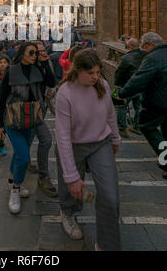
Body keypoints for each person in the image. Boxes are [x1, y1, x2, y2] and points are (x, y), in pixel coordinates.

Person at [55, 49, 121, 251]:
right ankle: (67, 213)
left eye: (98, 72)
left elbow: (110, 114)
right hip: (74, 145)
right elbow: (63, 136)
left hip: (101, 142)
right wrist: (72, 177)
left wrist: (116, 137)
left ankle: (106, 244)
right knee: (71, 190)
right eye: (90, 73)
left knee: (110, 196)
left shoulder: (102, 85)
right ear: (78, 70)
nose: (95, 77)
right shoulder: (65, 93)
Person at [0, 42, 55, 214]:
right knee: (23, 155)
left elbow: (51, 81)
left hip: (31, 118)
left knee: (19, 154)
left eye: (36, 53)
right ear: (22, 53)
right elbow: (2, 99)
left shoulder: (38, 69)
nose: (34, 55)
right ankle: (15, 190)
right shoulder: (11, 71)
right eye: (31, 52)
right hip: (13, 119)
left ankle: (12, 181)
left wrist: (45, 62)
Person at [118, 33, 167, 179]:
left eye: (143, 46)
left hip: (160, 102)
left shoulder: (152, 58)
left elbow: (139, 79)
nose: (143, 49)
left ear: (148, 44)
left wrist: (122, 93)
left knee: (147, 126)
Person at [30, 41, 57, 197]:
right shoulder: (27, 68)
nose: (41, 53)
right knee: (45, 140)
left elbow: (51, 82)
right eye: (36, 51)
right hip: (27, 110)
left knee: (40, 139)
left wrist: (46, 64)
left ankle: (42, 176)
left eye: (42, 50)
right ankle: (41, 175)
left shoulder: (46, 63)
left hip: (41, 107)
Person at [114, 38, 146, 137]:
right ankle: (137, 127)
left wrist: (117, 84)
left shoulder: (126, 58)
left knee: (121, 106)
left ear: (130, 46)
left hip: (127, 86)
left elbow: (119, 73)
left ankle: (122, 129)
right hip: (140, 86)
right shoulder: (145, 55)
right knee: (139, 107)